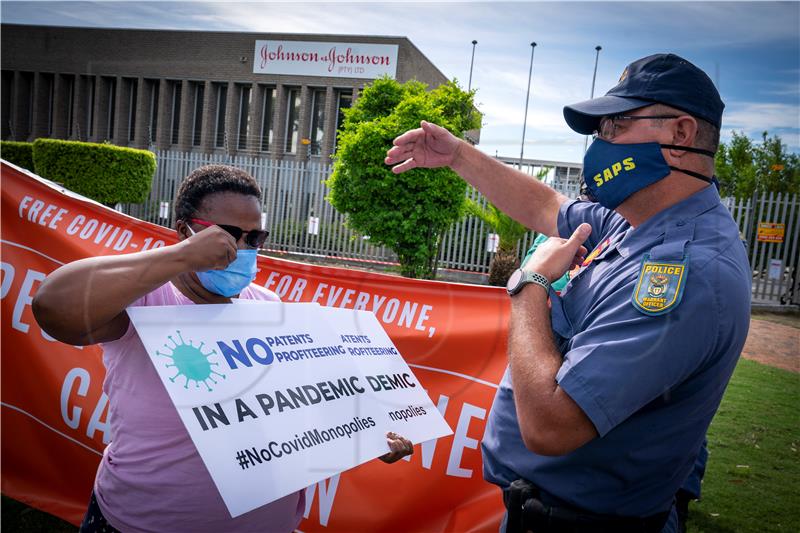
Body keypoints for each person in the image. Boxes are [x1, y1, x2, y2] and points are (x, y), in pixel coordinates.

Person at [385, 53, 750, 532]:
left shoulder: (684, 272)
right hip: (539, 509)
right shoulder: (636, 224)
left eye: (615, 125)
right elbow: (547, 205)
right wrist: (457, 154)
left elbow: (551, 426)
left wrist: (530, 283)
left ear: (680, 135)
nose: (600, 143)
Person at [32, 165, 413, 533]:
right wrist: (181, 257)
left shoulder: (268, 307)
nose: (241, 249)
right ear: (185, 231)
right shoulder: (144, 301)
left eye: (254, 238)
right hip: (144, 522)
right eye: (228, 234)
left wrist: (365, 435)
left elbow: (297, 405)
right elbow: (53, 307)